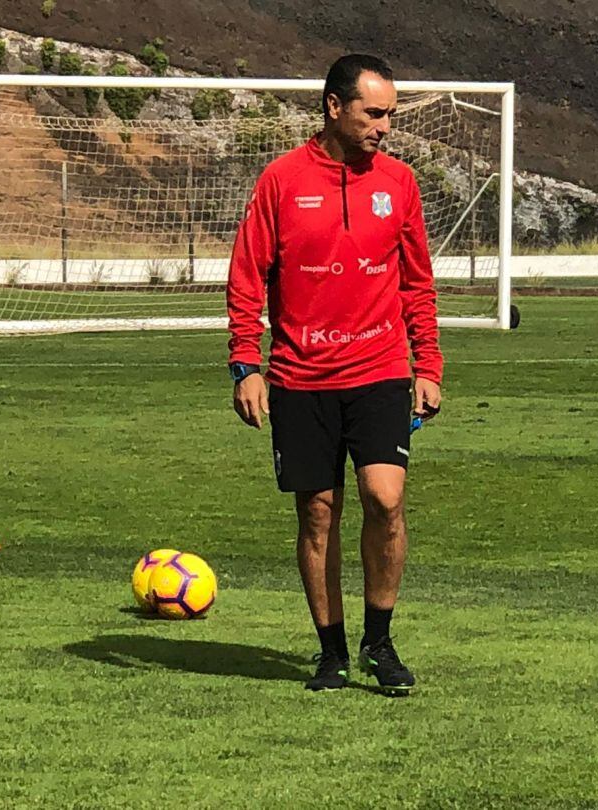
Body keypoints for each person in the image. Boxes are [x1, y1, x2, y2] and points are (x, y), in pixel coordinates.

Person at [226, 54, 443, 693]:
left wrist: (426, 364)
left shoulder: (399, 183)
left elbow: (418, 284)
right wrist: (246, 363)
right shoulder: (282, 181)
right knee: (318, 514)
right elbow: (247, 277)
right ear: (334, 107)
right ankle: (332, 652)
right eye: (374, 113)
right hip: (300, 376)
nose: (385, 127)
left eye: (391, 116)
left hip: (379, 369)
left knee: (386, 498)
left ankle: (380, 641)